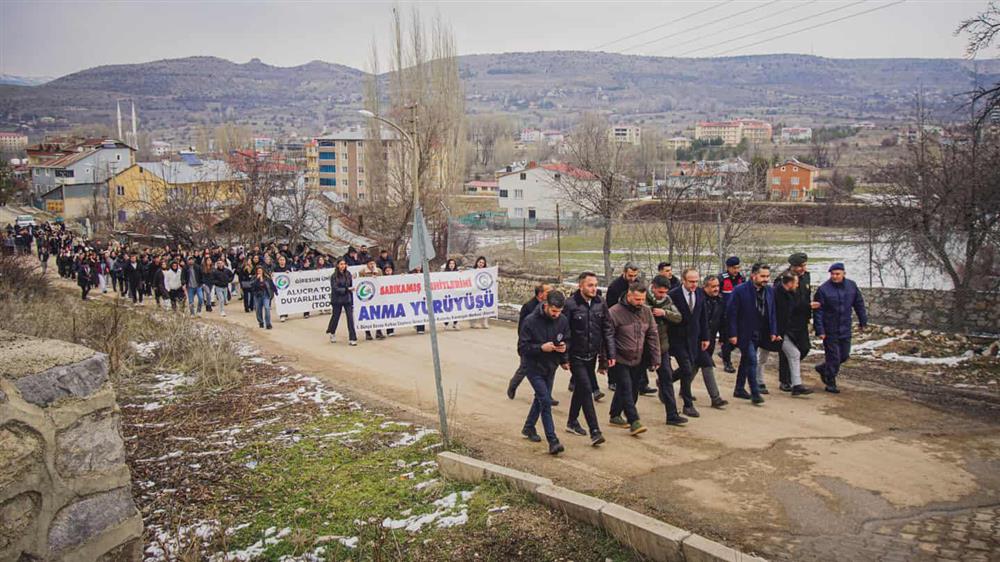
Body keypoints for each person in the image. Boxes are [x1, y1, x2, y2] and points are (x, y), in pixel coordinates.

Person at [562, 271, 615, 445]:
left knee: (580, 389)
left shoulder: (601, 303)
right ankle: (595, 431)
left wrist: (609, 355)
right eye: (590, 285)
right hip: (575, 356)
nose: (594, 288)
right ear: (581, 286)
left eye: (595, 285)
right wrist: (564, 357)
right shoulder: (570, 305)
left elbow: (607, 329)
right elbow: (563, 332)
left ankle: (572, 422)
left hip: (592, 355)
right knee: (586, 389)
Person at [518, 290, 570, 455]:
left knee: (540, 399)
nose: (556, 314)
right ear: (546, 305)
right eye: (554, 311)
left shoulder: (562, 320)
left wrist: (564, 354)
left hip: (551, 366)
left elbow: (566, 339)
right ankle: (553, 441)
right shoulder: (530, 321)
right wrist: (540, 347)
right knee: (546, 401)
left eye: (559, 311)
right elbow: (522, 348)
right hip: (533, 367)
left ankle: (528, 427)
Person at [607, 282, 659, 437]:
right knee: (626, 387)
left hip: (639, 357)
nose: (640, 302)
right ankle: (634, 420)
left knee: (632, 388)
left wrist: (656, 357)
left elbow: (652, 334)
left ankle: (615, 415)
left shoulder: (646, 312)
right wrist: (608, 357)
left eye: (643, 299)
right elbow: (608, 337)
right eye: (637, 299)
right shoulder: (614, 312)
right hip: (620, 358)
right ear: (628, 295)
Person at [727, 263, 778, 405]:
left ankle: (739, 389)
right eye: (762, 276)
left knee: (746, 360)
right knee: (751, 360)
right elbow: (731, 313)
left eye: (767, 276)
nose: (765, 279)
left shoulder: (769, 291)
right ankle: (755, 392)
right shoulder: (740, 290)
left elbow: (772, 312)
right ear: (753, 275)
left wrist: (773, 330)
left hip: (759, 331)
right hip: (743, 331)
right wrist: (732, 334)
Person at [814, 263, 867, 394]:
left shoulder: (851, 286)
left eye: (837, 274)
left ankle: (823, 368)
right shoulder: (823, 289)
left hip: (845, 327)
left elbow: (859, 304)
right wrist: (820, 330)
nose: (834, 276)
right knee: (834, 358)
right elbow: (818, 312)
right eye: (832, 274)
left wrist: (863, 321)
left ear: (844, 273)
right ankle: (830, 382)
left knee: (843, 355)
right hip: (830, 329)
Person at [667, 268, 711, 418]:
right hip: (677, 339)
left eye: (696, 281)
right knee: (686, 369)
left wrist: (705, 337)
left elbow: (702, 317)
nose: (694, 284)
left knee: (689, 367)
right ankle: (688, 404)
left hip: (694, 338)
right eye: (691, 282)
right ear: (683, 281)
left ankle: (666, 380)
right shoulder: (673, 295)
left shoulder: (699, 293)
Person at [645, 274, 687, 425]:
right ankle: (618, 412)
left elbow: (678, 317)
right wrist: (649, 311)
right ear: (653, 287)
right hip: (642, 347)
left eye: (665, 292)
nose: (662, 295)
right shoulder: (642, 297)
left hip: (662, 346)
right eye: (660, 292)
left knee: (667, 378)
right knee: (631, 381)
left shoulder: (667, 301)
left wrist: (664, 313)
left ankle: (672, 414)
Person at [777, 253, 816, 392]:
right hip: (788, 321)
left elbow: (805, 295)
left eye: (804, 265)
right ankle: (785, 380)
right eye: (801, 266)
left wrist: (808, 313)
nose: (803, 268)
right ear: (793, 266)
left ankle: (791, 374)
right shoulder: (783, 279)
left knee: (804, 348)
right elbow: (788, 302)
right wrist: (808, 306)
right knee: (787, 352)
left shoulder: (806, 276)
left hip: (802, 320)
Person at [507, 282, 552, 400]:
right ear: (541, 294)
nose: (551, 293)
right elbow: (522, 328)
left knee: (547, 370)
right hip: (530, 344)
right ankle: (513, 385)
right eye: (548, 291)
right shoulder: (528, 307)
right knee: (525, 368)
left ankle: (546, 395)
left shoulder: (550, 306)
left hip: (545, 344)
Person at [696, 275, 729, 408]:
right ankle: (715, 397)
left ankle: (668, 382)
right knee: (707, 365)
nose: (716, 289)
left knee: (692, 367)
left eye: (717, 286)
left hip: (710, 339)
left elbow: (721, 320)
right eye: (713, 286)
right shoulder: (698, 298)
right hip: (698, 339)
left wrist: (723, 338)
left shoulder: (720, 300)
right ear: (705, 287)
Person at [717, 256, 745, 373]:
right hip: (725, 313)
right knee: (728, 338)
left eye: (738, 267)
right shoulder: (722, 279)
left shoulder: (741, 279)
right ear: (728, 268)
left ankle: (724, 352)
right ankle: (727, 362)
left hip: (738, 313)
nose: (736, 270)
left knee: (739, 338)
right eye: (734, 268)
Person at [327, 258, 358, 345]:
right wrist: (347, 289)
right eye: (341, 264)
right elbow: (335, 288)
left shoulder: (348, 274)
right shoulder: (334, 276)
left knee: (350, 319)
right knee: (335, 317)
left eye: (344, 264)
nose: (343, 266)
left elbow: (352, 284)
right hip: (337, 299)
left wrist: (354, 281)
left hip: (347, 299)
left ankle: (352, 338)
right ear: (337, 265)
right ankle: (332, 332)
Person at [359, 258, 385, 340]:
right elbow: (360, 283)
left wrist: (376, 277)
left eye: (373, 263)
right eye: (370, 263)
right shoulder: (362, 272)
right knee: (367, 315)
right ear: (367, 264)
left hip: (377, 296)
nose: (372, 265)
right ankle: (368, 333)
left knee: (377, 314)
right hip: (367, 295)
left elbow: (383, 281)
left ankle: (379, 331)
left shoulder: (379, 271)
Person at [469, 256, 491, 329]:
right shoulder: (472, 270)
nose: (481, 264)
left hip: (483, 292)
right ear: (477, 262)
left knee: (485, 307)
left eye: (483, 263)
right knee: (475, 308)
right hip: (474, 292)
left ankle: (484, 323)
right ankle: (473, 323)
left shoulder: (487, 272)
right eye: (480, 262)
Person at [442, 259, 460, 331]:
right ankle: (446, 323)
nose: (452, 265)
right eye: (450, 263)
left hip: (455, 293)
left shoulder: (457, 272)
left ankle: (455, 323)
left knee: (456, 308)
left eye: (453, 263)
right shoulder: (444, 273)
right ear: (448, 265)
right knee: (448, 308)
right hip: (447, 293)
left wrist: (461, 273)